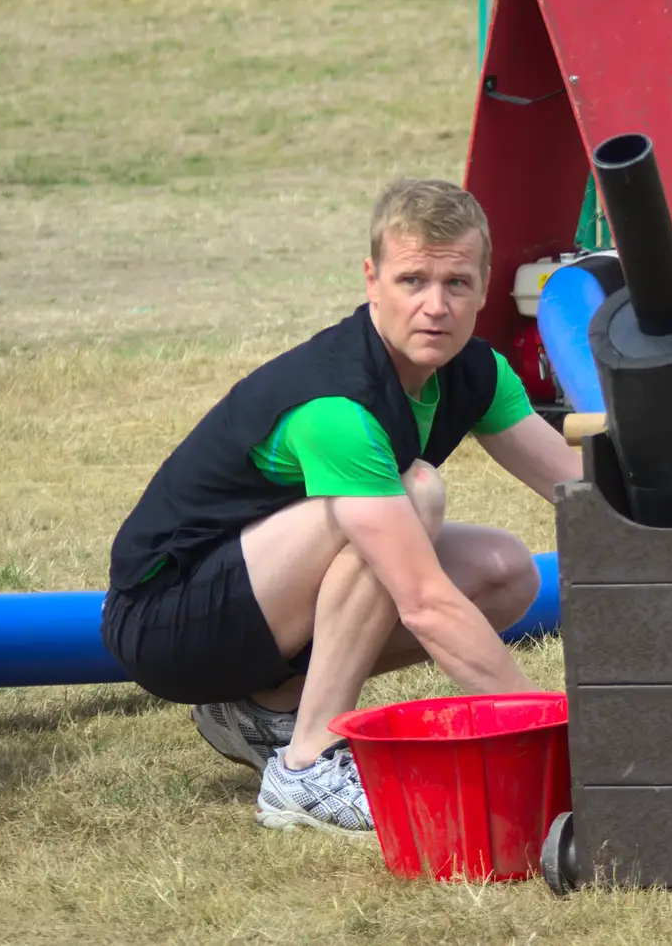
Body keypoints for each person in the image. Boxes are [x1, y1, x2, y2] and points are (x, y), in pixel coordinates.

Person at [101, 179, 583, 836]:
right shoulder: (338, 408)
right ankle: (304, 765)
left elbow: (582, 493)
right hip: (168, 620)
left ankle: (267, 707)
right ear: (372, 280)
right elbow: (423, 601)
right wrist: (555, 735)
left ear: (485, 283)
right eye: (412, 280)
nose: (435, 306)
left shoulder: (477, 372)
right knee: (414, 496)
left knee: (506, 570)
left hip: (260, 600)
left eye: (457, 283)